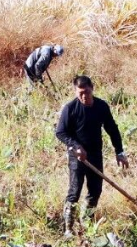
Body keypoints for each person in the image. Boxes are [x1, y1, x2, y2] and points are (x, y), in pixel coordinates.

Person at [55, 75, 129, 237]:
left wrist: (119, 151)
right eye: (80, 93)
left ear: (92, 88)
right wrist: (76, 146)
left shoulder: (101, 106)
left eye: (86, 92)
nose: (84, 96)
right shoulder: (70, 109)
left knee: (95, 190)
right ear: (75, 92)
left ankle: (86, 222)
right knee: (75, 191)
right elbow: (60, 132)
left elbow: (112, 129)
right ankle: (68, 229)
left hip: (95, 154)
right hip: (77, 157)